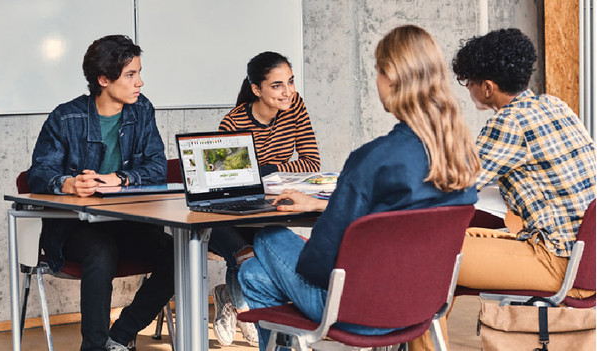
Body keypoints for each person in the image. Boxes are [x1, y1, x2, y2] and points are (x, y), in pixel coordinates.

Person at [237, 24, 481, 351]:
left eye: (378, 71)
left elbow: (319, 264)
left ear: (391, 77)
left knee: (266, 239)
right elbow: (391, 215)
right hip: (421, 304)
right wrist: (319, 205)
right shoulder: (460, 155)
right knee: (253, 273)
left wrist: (304, 238)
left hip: (354, 311)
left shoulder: (373, 159)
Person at [404, 28, 597, 351]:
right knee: (446, 246)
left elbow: (451, 185)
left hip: (556, 260)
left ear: (488, 87)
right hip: (585, 256)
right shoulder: (554, 105)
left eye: (470, 84)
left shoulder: (509, 122)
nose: (469, 92)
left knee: (426, 258)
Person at [26, 35, 174, 351]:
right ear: (104, 79)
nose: (140, 82)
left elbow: (157, 167)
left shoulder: (142, 110)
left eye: (139, 72)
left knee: (180, 252)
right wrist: (67, 183)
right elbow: (39, 173)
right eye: (131, 75)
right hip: (74, 229)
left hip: (128, 224)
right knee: (100, 250)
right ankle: (93, 347)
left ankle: (121, 335)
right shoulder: (65, 118)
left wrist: (118, 178)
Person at [208, 51, 321, 347]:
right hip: (230, 215)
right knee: (246, 252)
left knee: (263, 247)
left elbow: (311, 163)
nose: (288, 92)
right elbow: (228, 185)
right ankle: (244, 307)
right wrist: (273, 174)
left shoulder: (295, 107)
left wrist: (267, 171)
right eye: (277, 85)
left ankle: (238, 303)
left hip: (271, 207)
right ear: (256, 89)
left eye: (290, 82)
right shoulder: (233, 123)